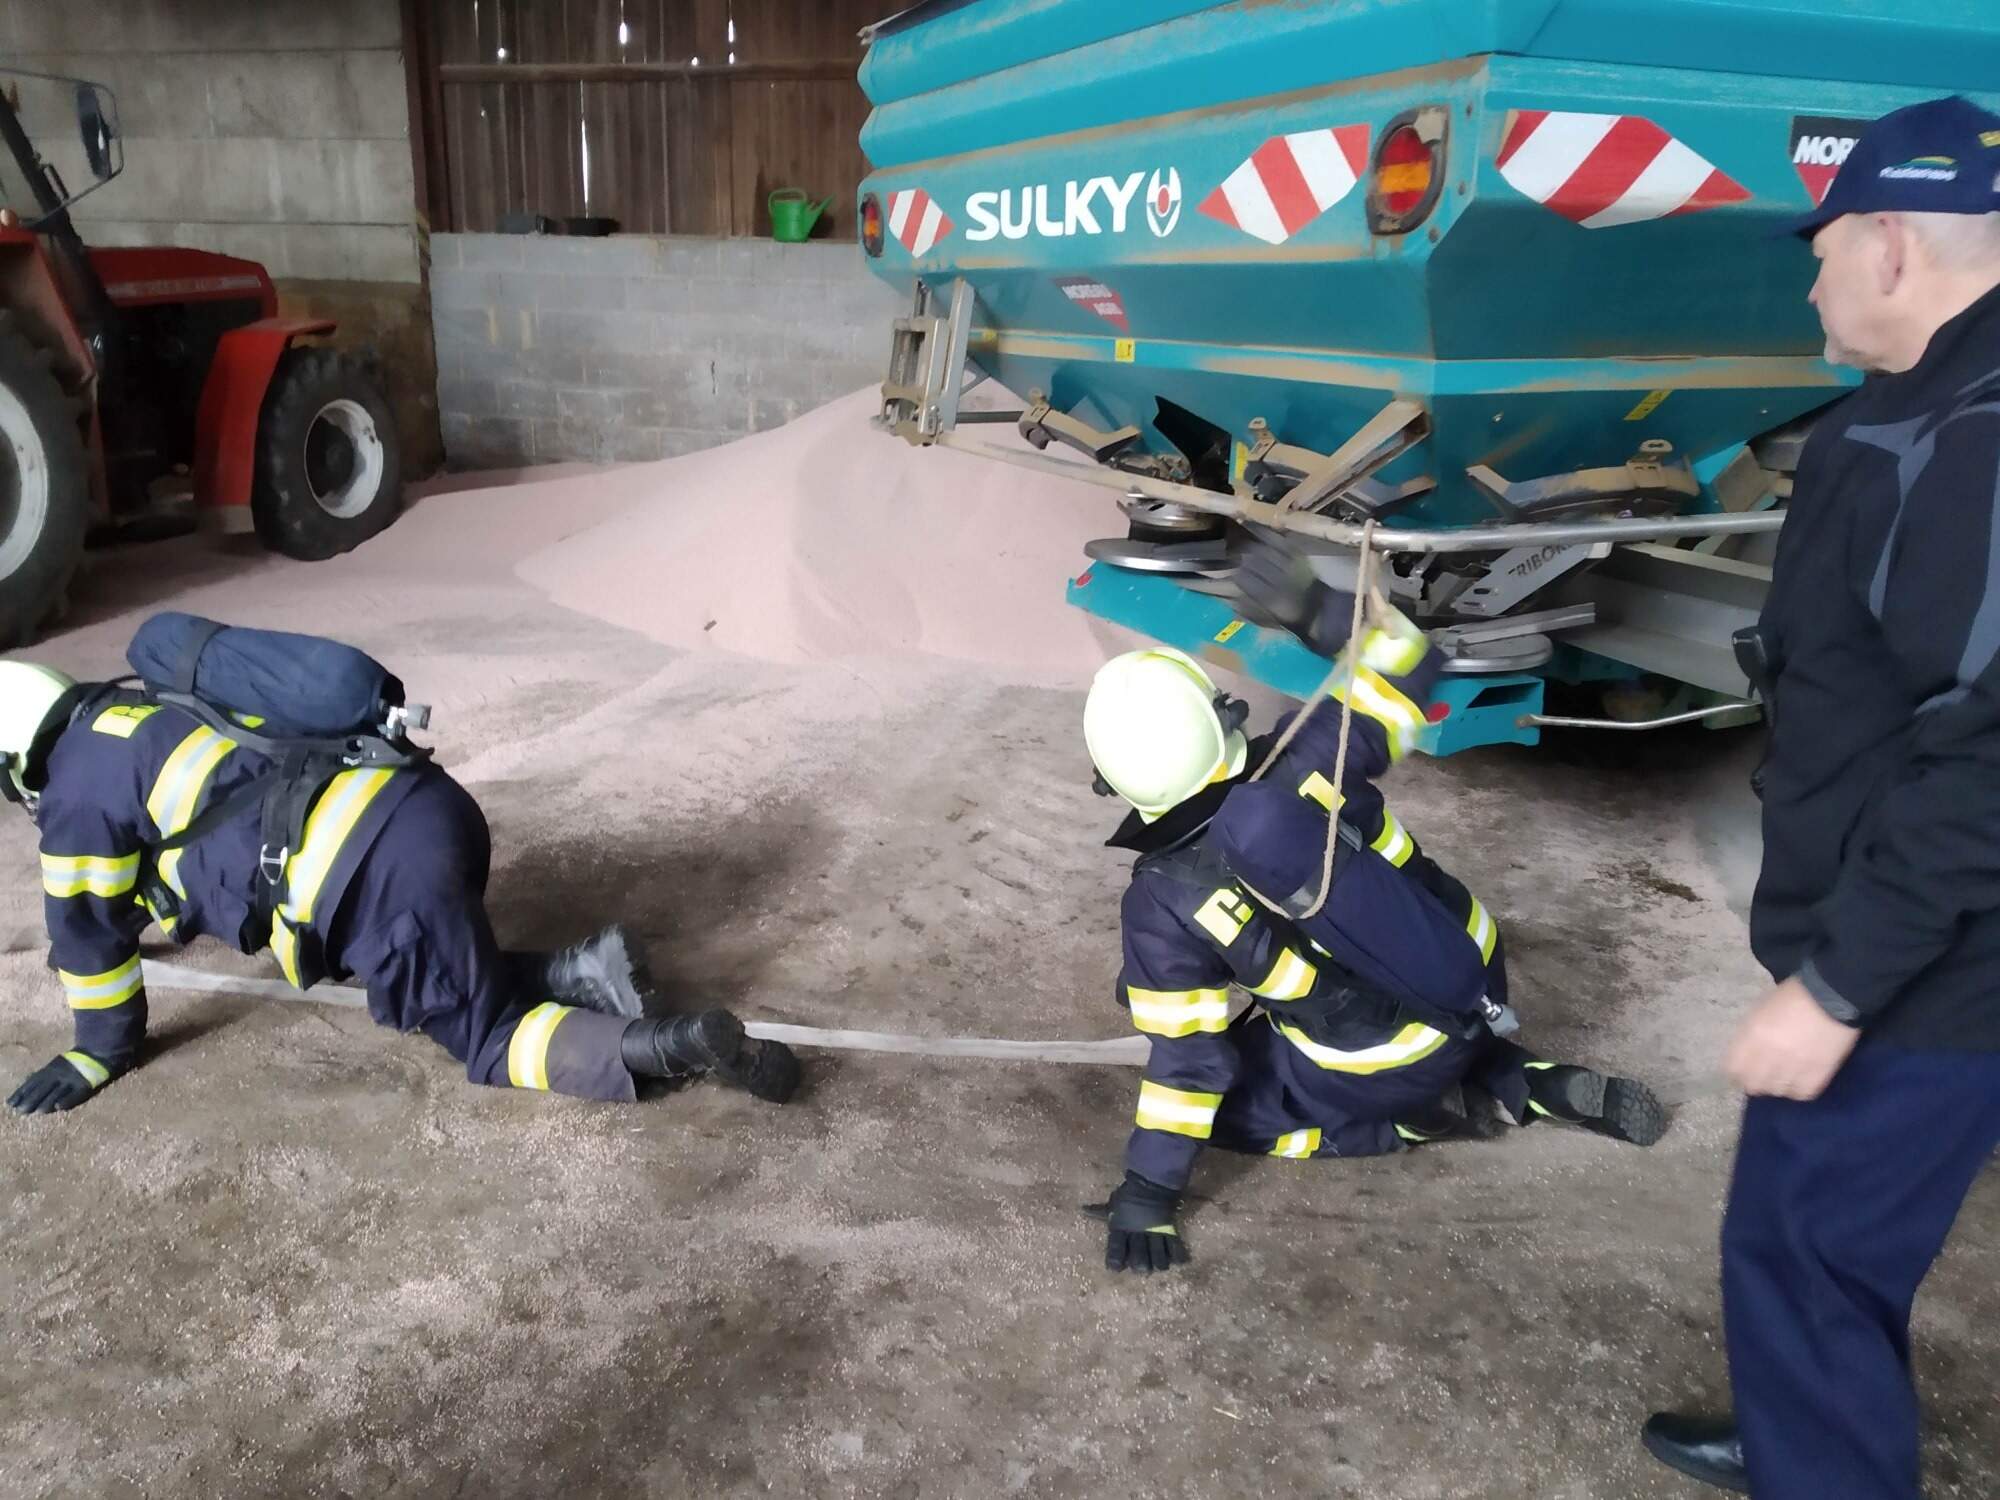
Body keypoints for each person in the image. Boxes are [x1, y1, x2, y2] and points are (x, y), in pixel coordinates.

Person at [1643, 96, 2000, 1497]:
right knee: (1817, 1240)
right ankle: (1800, 1419)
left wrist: (1838, 987)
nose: (1811, 285)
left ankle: (1824, 1460)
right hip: (1900, 931)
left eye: (1824, 250)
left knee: (1804, 1251)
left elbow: (1988, 760)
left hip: (1931, 967)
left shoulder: (1972, 442)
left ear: (1892, 245)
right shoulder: (1926, 407)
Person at [1079, 546, 1666, 1273]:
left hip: (1383, 1062)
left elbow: (1188, 1064)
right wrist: (1317, 612)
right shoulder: (1310, 753)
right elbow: (1412, 663)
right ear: (1224, 715)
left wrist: (1148, 1190)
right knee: (1395, 1001)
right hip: (1473, 960)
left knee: (1228, 1108)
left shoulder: (1158, 905)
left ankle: (1441, 1112)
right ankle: (1508, 1070)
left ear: (1114, 784)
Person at [0, 656, 800, 1114]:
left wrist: (96, 1052)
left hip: (376, 882)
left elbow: (85, 935)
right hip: (427, 804)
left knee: (487, 1040)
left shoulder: (75, 795)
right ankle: (585, 969)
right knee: (430, 968)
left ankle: (670, 1047)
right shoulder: (150, 708)